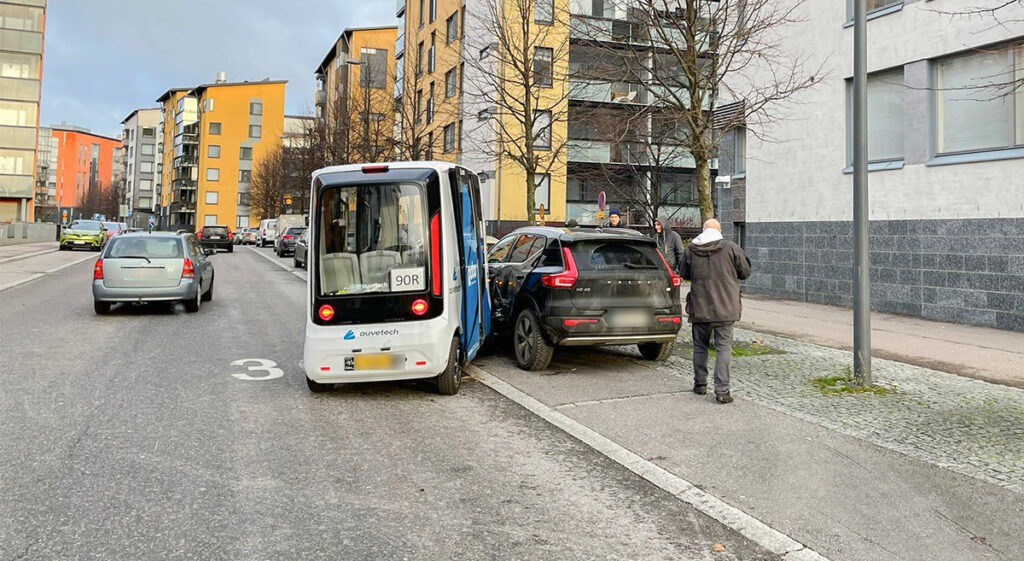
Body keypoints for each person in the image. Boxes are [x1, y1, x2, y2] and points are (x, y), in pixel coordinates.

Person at [680, 218, 751, 404]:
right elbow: (745, 272)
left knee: (700, 347)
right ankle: (722, 390)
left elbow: (684, 273)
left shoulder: (691, 250)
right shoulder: (731, 248)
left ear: (703, 230)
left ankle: (700, 384)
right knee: (723, 348)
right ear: (719, 231)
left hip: (700, 306)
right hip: (725, 307)